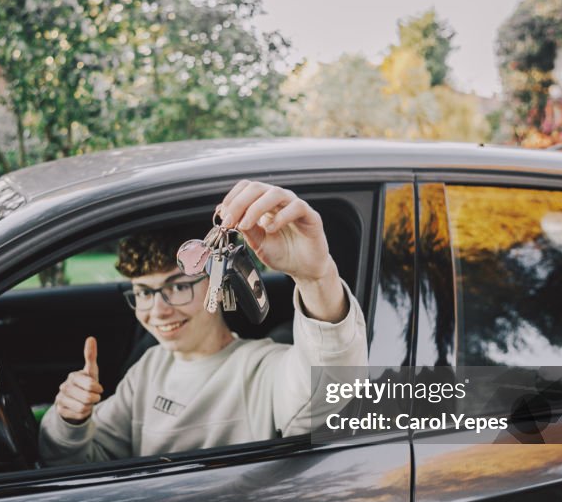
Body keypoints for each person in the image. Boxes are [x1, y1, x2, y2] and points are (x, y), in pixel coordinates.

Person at [39, 180, 367, 464]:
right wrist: (70, 422)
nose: (158, 311)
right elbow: (79, 466)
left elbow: (331, 390)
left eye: (178, 287)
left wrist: (315, 278)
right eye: (143, 292)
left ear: (218, 282)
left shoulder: (262, 369)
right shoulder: (148, 368)